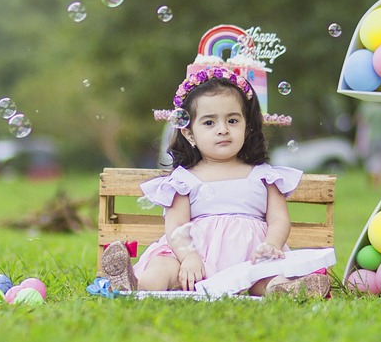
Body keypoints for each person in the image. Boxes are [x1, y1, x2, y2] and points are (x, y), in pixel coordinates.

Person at [101, 67, 331, 297]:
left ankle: (287, 290)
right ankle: (135, 284)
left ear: (247, 127)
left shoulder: (264, 175)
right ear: (190, 134)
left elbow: (279, 219)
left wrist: (271, 244)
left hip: (249, 257)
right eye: (209, 123)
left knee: (266, 276)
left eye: (232, 120)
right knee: (163, 267)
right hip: (193, 259)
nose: (223, 130)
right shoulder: (184, 179)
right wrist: (188, 257)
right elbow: (177, 228)